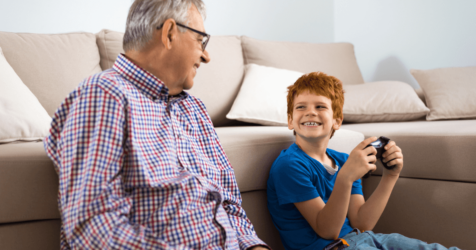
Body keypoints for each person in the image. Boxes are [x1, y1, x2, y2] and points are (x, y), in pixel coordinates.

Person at [43, 0, 268, 249]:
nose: (206, 56)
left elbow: (229, 205)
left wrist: (255, 246)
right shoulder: (104, 95)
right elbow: (93, 229)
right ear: (170, 33)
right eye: (200, 40)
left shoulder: (194, 109)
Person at [266, 72, 460, 250]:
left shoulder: (343, 160)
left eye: (320, 106)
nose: (310, 112)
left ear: (337, 121)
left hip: (362, 238)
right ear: (291, 120)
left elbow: (361, 223)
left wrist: (390, 175)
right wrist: (346, 177)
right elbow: (327, 231)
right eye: (301, 107)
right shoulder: (289, 165)